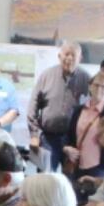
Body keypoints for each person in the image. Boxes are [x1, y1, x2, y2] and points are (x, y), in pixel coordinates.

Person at [27, 41, 90, 172]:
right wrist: (34, 134)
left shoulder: (87, 80)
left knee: (71, 182)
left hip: (74, 141)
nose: (70, 58)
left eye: (74, 55)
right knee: (45, 179)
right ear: (59, 56)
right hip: (48, 138)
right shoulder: (46, 76)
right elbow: (33, 104)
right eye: (67, 54)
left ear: (80, 58)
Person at [61, 71, 104, 180]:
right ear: (90, 87)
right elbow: (67, 135)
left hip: (99, 168)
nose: (99, 89)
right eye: (96, 85)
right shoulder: (78, 110)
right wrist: (66, 148)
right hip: (75, 165)